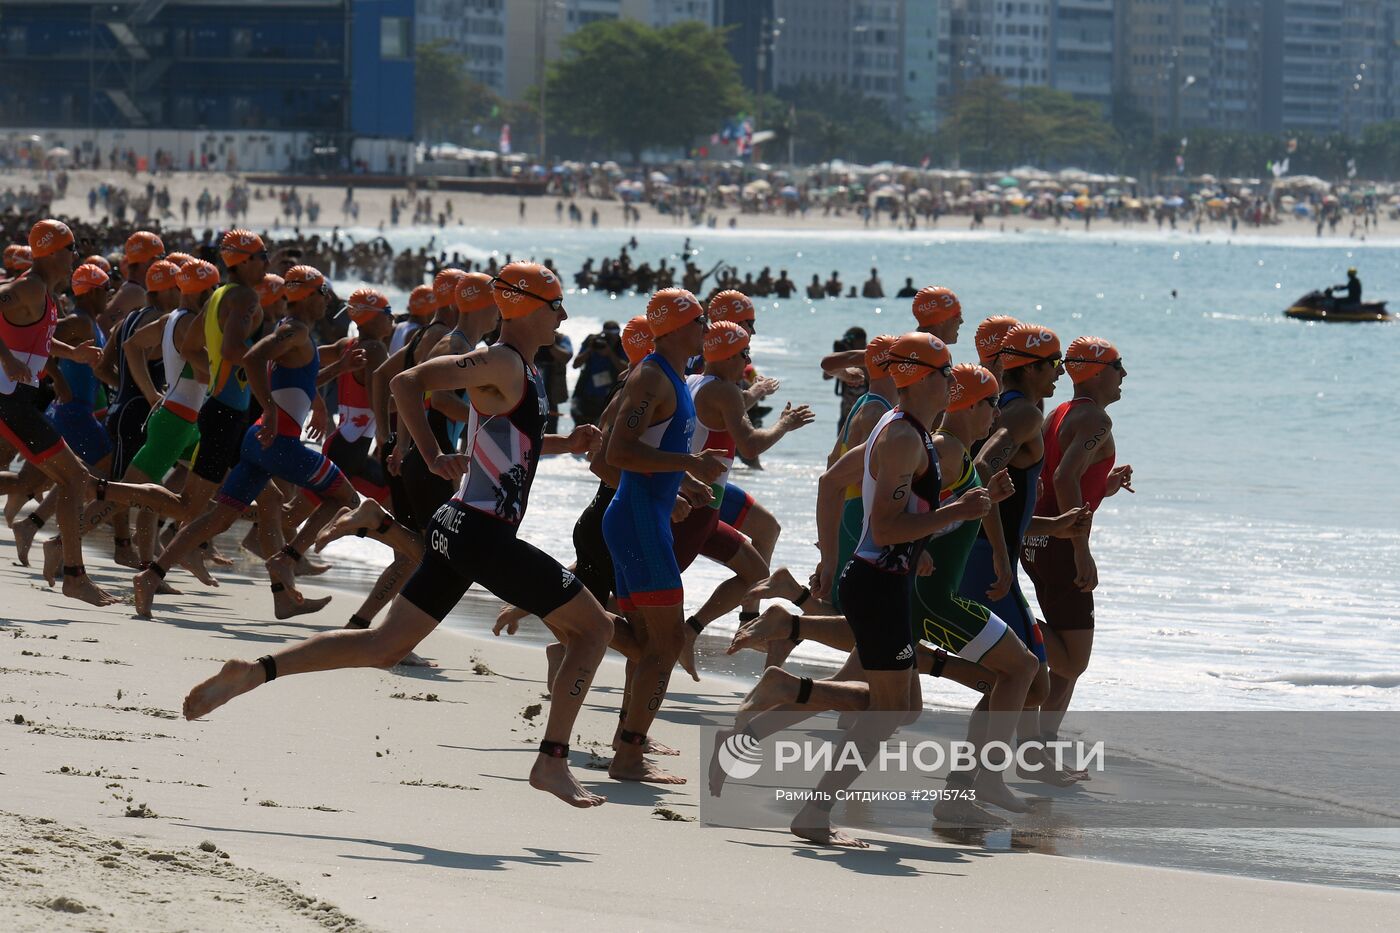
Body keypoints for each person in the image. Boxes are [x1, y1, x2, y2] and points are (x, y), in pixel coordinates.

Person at [182, 261, 615, 810]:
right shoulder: (503, 360)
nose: (564, 316)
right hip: (482, 533)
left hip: (462, 526)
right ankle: (552, 761)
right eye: (556, 306)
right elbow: (408, 379)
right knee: (594, 632)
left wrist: (567, 443)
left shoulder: (518, 369)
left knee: (383, 645)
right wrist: (430, 454)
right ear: (530, 306)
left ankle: (255, 671)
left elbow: (513, 439)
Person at [725, 333, 981, 847]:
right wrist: (957, 511)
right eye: (947, 371)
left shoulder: (900, 426)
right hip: (880, 585)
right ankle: (813, 813)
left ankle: (788, 690)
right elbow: (885, 529)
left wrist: (851, 553)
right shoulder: (905, 436)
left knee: (903, 708)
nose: (954, 380)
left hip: (881, 579)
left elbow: (834, 482)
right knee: (890, 711)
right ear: (924, 378)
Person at [0, 220, 169, 605]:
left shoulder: (43, 293)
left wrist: (71, 352)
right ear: (54, 251)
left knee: (72, 479)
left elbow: (37, 338)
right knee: (75, 478)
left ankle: (72, 572)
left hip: (18, 401)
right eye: (71, 247)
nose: (75, 254)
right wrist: (7, 359)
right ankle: (74, 577)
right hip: (9, 401)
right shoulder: (29, 287)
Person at [602, 288, 725, 784]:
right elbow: (618, 452)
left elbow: (656, 446)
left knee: (645, 640)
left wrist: (687, 482)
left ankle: (577, 619)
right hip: (636, 518)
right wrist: (687, 463)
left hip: (644, 515)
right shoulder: (653, 375)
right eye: (699, 322)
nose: (705, 332)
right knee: (666, 643)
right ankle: (629, 756)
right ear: (674, 328)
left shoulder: (676, 375)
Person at [1022, 336, 1132, 751]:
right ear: (1098, 372)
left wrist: (1104, 485)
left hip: (1038, 541)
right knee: (1075, 659)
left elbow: (1057, 481)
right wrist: (1080, 549)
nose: (1124, 375)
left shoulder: (1059, 413)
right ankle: (1013, 631)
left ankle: (1040, 747)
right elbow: (1065, 479)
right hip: (1059, 546)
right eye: (1118, 366)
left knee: (1067, 664)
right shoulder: (1095, 421)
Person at [570, 320, 626, 427]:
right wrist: (590, 349)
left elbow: (626, 369)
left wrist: (610, 354)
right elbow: (575, 364)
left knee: (602, 431)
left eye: (612, 336)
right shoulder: (593, 342)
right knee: (581, 428)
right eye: (607, 336)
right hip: (586, 395)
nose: (609, 340)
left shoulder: (621, 345)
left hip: (608, 397)